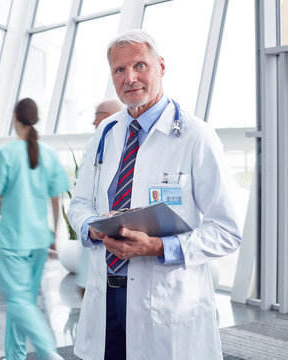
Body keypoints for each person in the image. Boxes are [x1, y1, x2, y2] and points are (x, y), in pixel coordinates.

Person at [68, 29, 241, 360]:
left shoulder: (197, 136)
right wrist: (92, 225)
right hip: (107, 297)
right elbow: (79, 203)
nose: (130, 78)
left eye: (140, 66)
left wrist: (158, 247)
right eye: (119, 70)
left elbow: (227, 231)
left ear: (161, 66)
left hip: (164, 300)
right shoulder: (107, 131)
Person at [0, 98, 70, 360]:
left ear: (16, 118)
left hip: (13, 242)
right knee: (21, 304)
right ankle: (14, 356)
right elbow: (56, 199)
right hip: (39, 240)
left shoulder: (7, 153)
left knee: (17, 302)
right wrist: (54, 236)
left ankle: (48, 352)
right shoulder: (49, 154)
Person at [77, 99, 125, 296]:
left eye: (95, 117)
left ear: (106, 115)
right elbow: (81, 196)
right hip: (98, 234)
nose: (93, 123)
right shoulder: (98, 143)